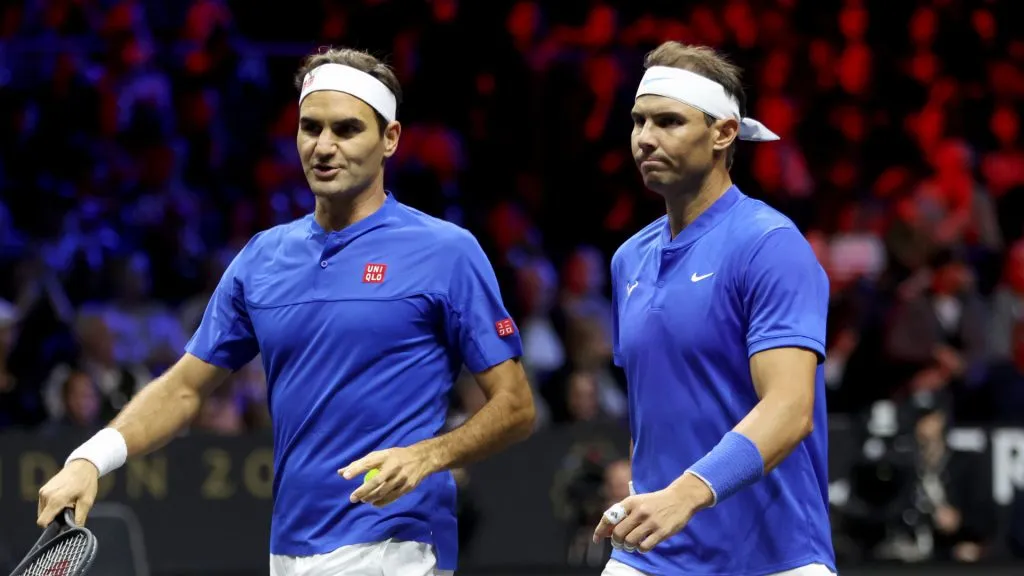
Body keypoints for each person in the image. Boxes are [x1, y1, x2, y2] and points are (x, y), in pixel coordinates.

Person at [36, 47, 536, 576]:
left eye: (346, 130)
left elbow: (516, 406)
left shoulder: (447, 252)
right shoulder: (262, 257)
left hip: (398, 548)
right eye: (310, 128)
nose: (323, 147)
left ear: (389, 139)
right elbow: (184, 389)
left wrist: (428, 456)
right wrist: (90, 459)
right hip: (288, 552)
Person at [592, 42, 836, 575]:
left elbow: (790, 411)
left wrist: (685, 494)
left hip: (775, 558)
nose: (645, 139)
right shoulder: (627, 260)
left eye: (669, 122)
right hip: (652, 554)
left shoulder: (770, 243)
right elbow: (654, 408)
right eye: (638, 122)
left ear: (724, 133)